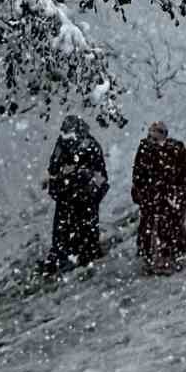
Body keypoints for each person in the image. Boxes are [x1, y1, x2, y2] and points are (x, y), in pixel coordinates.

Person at [42, 115, 109, 273]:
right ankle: (62, 255)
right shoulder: (62, 144)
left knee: (86, 225)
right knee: (62, 228)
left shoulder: (90, 145)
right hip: (66, 194)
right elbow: (54, 166)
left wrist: (88, 183)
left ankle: (86, 252)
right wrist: (59, 177)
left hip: (84, 194)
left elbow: (100, 174)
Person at [131, 120, 186, 276]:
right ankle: (150, 257)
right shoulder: (145, 149)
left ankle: (172, 256)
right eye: (152, 134)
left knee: (172, 225)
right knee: (149, 226)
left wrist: (177, 186)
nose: (154, 138)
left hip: (169, 194)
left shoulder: (175, 148)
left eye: (157, 134)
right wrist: (140, 190)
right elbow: (138, 173)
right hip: (152, 195)